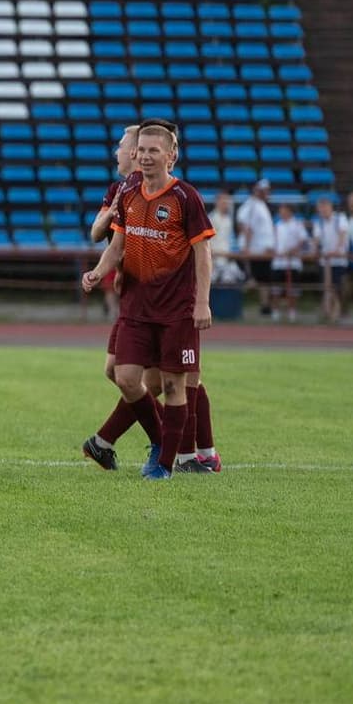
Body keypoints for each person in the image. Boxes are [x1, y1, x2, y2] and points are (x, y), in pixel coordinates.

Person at [80, 122, 215, 479]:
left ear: (171, 155)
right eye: (140, 149)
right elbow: (114, 243)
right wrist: (97, 272)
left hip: (175, 309)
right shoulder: (126, 193)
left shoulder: (185, 197)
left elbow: (204, 254)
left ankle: (172, 460)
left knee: (178, 383)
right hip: (136, 306)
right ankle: (146, 445)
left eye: (151, 150)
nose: (142, 155)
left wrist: (203, 302)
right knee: (124, 375)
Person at [81, 127, 164, 471]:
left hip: (160, 297)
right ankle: (172, 440)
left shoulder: (159, 192)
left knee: (160, 380)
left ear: (134, 153)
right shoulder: (120, 190)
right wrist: (112, 211)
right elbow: (98, 233)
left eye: (120, 147)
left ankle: (189, 448)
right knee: (119, 372)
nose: (116, 152)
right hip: (134, 297)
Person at [236, 178, 277, 318]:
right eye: (263, 190)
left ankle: (265, 306)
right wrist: (246, 247)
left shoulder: (262, 205)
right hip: (256, 250)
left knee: (264, 280)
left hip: (264, 250)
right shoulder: (251, 205)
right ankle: (240, 307)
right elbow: (245, 226)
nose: (266, 192)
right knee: (255, 280)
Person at [312, 195, 351, 324]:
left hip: (339, 260)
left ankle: (334, 311)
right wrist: (314, 249)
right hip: (325, 261)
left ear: (330, 207)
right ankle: (331, 311)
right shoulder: (319, 222)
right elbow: (316, 240)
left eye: (324, 207)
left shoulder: (340, 219)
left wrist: (337, 250)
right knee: (329, 286)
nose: (322, 210)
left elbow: (342, 234)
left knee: (335, 286)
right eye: (320, 208)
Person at [271, 200, 308, 321]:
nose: (281, 212)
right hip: (278, 262)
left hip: (293, 262)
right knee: (276, 287)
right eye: (280, 210)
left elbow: (303, 241)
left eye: (284, 210)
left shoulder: (297, 224)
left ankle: (292, 311)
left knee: (293, 289)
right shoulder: (277, 225)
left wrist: (292, 250)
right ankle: (275, 311)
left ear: (290, 211)